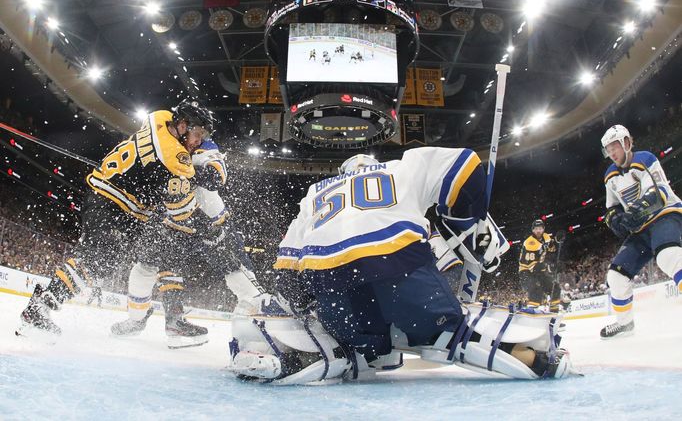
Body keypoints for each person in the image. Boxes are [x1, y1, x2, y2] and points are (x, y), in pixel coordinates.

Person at [229, 149, 572, 384]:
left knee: (349, 346)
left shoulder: (315, 192)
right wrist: (467, 219)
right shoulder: (401, 167)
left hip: (330, 275)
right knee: (448, 335)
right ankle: (537, 358)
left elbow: (287, 262)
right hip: (396, 263)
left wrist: (303, 307)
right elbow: (465, 164)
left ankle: (286, 360)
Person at [16, 99, 214, 338]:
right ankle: (40, 308)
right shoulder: (175, 158)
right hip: (113, 204)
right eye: (197, 133)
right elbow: (181, 211)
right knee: (100, 257)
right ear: (182, 125)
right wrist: (208, 220)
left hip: (121, 204)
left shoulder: (159, 118)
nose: (199, 141)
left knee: (162, 250)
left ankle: (166, 318)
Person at [111, 140, 286, 348]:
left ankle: (260, 331)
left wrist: (182, 173)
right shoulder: (163, 147)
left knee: (236, 270)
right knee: (148, 264)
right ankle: (144, 319)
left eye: (198, 131)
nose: (195, 136)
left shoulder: (205, 146)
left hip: (210, 222)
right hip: (173, 221)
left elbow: (216, 177)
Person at [600, 125, 682, 338]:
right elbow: (612, 208)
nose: (611, 153)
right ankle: (625, 323)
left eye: (614, 147)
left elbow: (658, 191)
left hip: (665, 215)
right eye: (607, 149)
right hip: (641, 229)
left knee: (668, 256)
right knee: (615, 276)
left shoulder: (645, 159)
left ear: (627, 143)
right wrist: (615, 219)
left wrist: (635, 210)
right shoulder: (610, 176)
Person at [518, 219, 561, 312]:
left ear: (543, 229)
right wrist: (550, 266)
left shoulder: (546, 237)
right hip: (526, 271)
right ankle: (530, 312)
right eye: (536, 229)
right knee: (536, 288)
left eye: (540, 228)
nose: (538, 231)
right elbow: (532, 265)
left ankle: (553, 315)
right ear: (532, 230)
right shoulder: (530, 242)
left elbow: (551, 249)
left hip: (539, 269)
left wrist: (557, 243)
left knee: (555, 288)